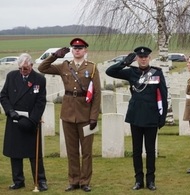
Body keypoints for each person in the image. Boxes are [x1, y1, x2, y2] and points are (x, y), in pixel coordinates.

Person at [38, 38, 101, 192]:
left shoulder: (92, 68)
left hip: (86, 115)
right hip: (68, 114)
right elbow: (42, 68)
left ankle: (85, 181)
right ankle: (74, 180)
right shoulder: (64, 66)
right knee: (71, 150)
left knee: (86, 152)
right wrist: (54, 55)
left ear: (85, 50)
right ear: (71, 50)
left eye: (80, 48)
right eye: (75, 47)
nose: (77, 50)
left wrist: (94, 117)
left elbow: (97, 94)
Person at [106, 46, 168, 191]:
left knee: (151, 151)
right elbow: (110, 72)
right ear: (137, 59)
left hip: (152, 116)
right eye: (140, 57)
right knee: (136, 151)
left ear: (149, 58)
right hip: (136, 117)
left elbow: (164, 96)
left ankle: (151, 180)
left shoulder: (157, 73)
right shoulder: (131, 72)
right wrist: (124, 63)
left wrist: (162, 116)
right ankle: (138, 180)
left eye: (145, 57)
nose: (143, 59)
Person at [0, 53, 48, 191]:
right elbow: (3, 96)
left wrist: (32, 120)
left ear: (31, 66)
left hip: (31, 121)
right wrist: (10, 112)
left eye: (25, 69)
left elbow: (40, 102)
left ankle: (40, 180)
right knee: (15, 152)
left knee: (34, 154)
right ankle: (18, 180)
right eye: (20, 68)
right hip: (14, 119)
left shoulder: (39, 79)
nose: (23, 71)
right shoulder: (11, 77)